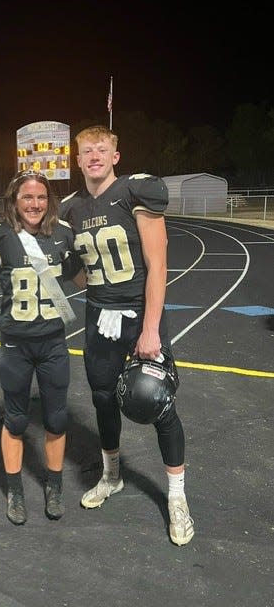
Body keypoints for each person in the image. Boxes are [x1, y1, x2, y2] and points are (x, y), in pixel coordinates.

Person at [58, 125, 194, 546]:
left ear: (115, 156)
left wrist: (150, 328)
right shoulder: (70, 207)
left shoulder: (135, 193)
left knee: (156, 402)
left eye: (102, 149)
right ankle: (112, 475)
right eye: (86, 151)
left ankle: (176, 497)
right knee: (102, 398)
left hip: (139, 317)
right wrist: (90, 287)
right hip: (100, 318)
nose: (94, 156)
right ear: (77, 160)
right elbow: (71, 266)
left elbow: (157, 265)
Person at [0, 169, 83, 526]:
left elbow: (79, 270)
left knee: (55, 418)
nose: (34, 204)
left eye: (40, 197)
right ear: (13, 201)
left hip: (53, 342)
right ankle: (16, 490)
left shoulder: (64, 234)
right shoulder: (1, 235)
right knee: (17, 420)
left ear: (49, 201)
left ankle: (53, 486)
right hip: (16, 344)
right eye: (27, 197)